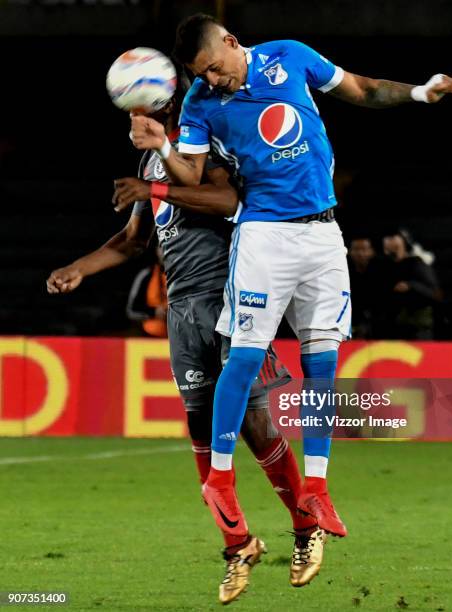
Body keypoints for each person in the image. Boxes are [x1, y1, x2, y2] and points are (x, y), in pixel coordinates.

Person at [129, 11, 452, 595]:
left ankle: (318, 488)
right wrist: (163, 150)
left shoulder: (290, 56)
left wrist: (419, 92)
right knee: (244, 355)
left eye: (214, 67)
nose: (213, 80)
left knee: (323, 364)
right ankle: (223, 481)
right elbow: (196, 176)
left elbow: (360, 89)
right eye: (200, 74)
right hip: (264, 235)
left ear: (232, 45)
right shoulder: (201, 105)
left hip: (324, 233)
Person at [46, 62, 323, 605]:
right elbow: (132, 242)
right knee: (201, 430)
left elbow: (227, 202)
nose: (135, 120)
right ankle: (238, 544)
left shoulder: (207, 145)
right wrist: (79, 266)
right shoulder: (151, 164)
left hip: (232, 298)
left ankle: (305, 524)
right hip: (183, 313)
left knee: (255, 425)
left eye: (141, 109)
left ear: (164, 105)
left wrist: (157, 184)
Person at [382, 228, 441, 339]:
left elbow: (435, 293)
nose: (388, 241)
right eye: (387, 238)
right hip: (392, 329)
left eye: (393, 238)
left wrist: (411, 286)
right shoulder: (384, 266)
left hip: (418, 329)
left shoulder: (416, 263)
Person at [126, 246, 168, 337]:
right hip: (150, 338)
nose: (166, 251)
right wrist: (154, 312)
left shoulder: (185, 277)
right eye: (162, 247)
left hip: (180, 339)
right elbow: (131, 310)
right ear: (157, 251)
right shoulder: (146, 275)